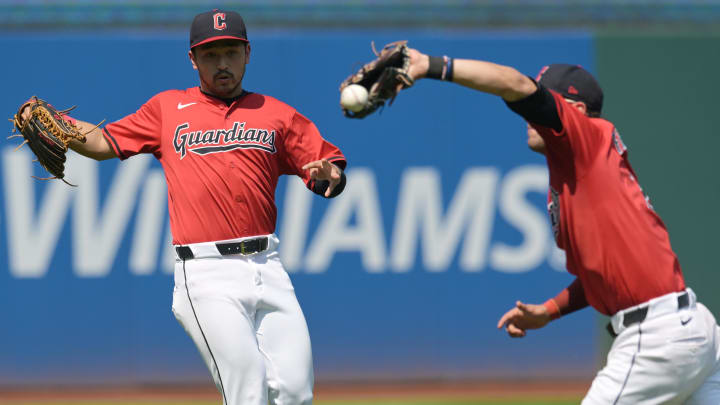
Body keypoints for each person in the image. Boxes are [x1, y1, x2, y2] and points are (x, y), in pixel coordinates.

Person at [19, 10, 346, 405]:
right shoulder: (167, 110)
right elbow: (104, 143)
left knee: (295, 392)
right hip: (206, 274)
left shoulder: (277, 114)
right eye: (210, 55)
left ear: (247, 53)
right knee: (248, 389)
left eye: (230, 52)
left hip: (269, 266)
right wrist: (63, 128)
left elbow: (328, 176)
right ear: (193, 59)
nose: (222, 63)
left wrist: (331, 178)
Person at [403, 49, 720, 403]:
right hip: (693, 330)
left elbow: (514, 83)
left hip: (658, 338)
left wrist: (432, 66)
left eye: (543, 99)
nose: (528, 117)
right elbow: (601, 277)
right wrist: (550, 310)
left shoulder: (588, 139)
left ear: (576, 112)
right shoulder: (580, 176)